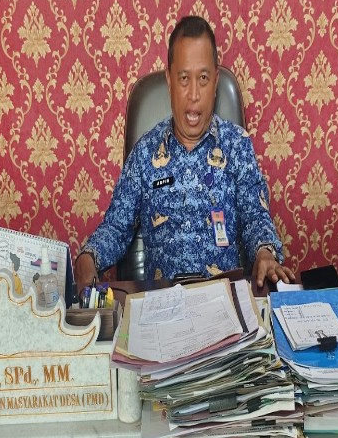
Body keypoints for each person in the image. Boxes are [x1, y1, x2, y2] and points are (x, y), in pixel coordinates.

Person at [75, 15, 294, 290]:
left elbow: (255, 218)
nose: (193, 94)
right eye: (183, 78)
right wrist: (88, 257)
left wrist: (265, 253)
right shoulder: (145, 153)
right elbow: (116, 228)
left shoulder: (237, 145)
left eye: (203, 78)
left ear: (215, 81)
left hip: (224, 300)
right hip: (163, 304)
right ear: (169, 80)